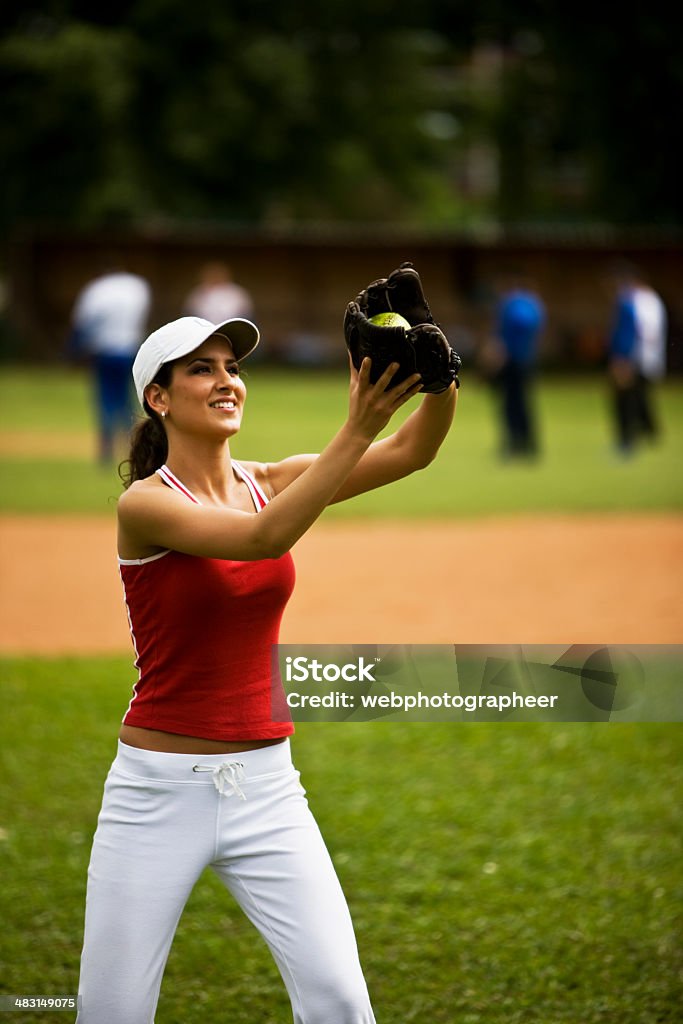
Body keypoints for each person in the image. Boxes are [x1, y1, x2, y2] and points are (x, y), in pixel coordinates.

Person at [75, 311, 457, 1023]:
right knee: (111, 1011)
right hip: (156, 795)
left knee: (341, 1002)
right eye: (201, 369)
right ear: (158, 398)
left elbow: (412, 451)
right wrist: (354, 428)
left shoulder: (268, 479)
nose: (226, 381)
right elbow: (259, 539)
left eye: (232, 368)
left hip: (269, 789)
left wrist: (437, 376)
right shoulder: (148, 504)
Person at [68, 263, 152, 463]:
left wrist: (73, 350)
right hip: (131, 349)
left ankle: (106, 449)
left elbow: (83, 322)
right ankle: (134, 446)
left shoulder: (97, 289)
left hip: (105, 351)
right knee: (129, 399)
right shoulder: (137, 286)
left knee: (106, 399)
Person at [607, 261, 668, 455]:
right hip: (648, 357)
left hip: (633, 359)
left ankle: (627, 442)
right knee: (640, 398)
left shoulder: (631, 301)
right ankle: (649, 432)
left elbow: (631, 332)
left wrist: (622, 359)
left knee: (626, 401)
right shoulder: (652, 299)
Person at [491, 269, 545, 459]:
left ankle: (517, 443)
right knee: (522, 402)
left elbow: (513, 328)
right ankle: (526, 443)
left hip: (514, 360)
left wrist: (500, 350)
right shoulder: (534, 303)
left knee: (512, 403)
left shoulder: (513, 303)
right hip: (527, 358)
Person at [183, 260, 254, 322]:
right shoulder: (198, 292)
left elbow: (246, 314)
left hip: (231, 327)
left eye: (218, 273)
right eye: (211, 274)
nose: (215, 276)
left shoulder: (237, 292)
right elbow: (190, 314)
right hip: (204, 329)